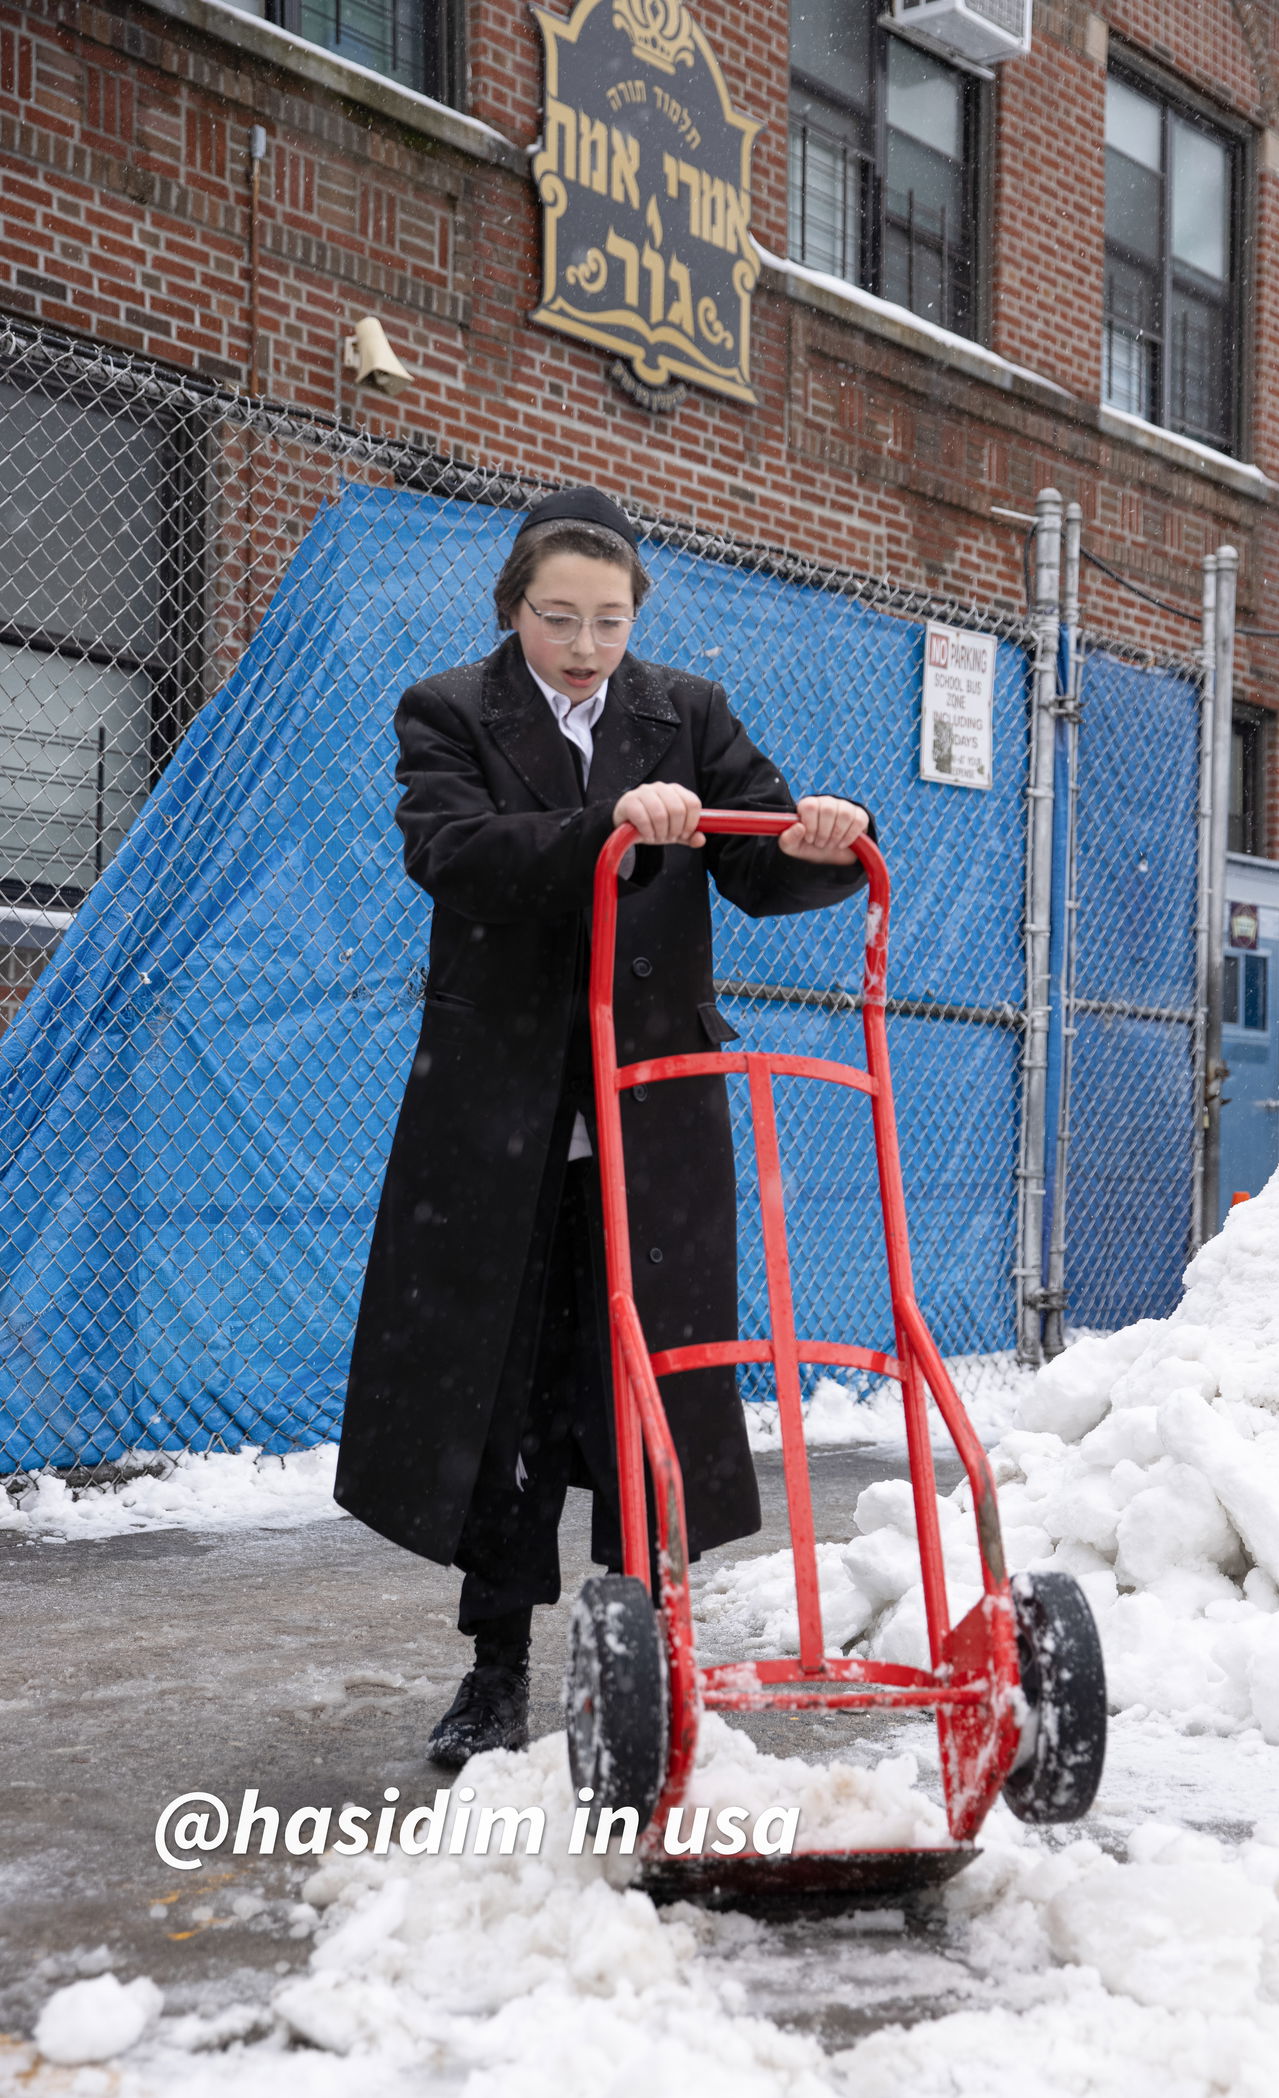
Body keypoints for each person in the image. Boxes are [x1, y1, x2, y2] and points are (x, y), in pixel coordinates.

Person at [335, 486, 872, 1767]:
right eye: (558, 616)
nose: (584, 645)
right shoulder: (448, 711)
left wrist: (830, 840)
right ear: (513, 609)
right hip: (504, 1110)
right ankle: (495, 1665)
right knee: (503, 1384)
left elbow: (755, 859)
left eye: (608, 620)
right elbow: (453, 852)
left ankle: (634, 1644)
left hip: (653, 1108)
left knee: (642, 1375)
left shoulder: (680, 712)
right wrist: (606, 827)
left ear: (637, 619)